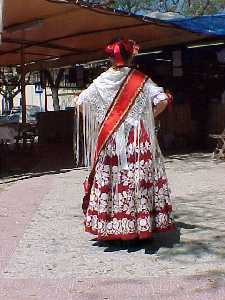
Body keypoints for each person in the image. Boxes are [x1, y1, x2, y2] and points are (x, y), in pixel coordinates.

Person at [75, 38, 175, 241]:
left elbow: (80, 102)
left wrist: (100, 119)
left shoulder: (101, 81)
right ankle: (141, 228)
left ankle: (114, 229)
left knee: (113, 181)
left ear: (111, 57)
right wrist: (146, 117)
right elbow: (162, 100)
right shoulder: (140, 79)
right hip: (138, 138)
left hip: (110, 138)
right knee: (137, 181)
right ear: (131, 55)